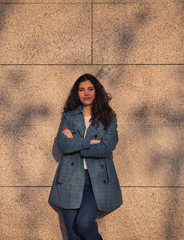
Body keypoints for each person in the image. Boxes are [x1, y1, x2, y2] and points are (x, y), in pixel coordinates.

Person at [49, 74, 123, 240]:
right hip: (69, 178)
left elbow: (106, 147)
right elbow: (63, 145)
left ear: (97, 91)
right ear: (77, 93)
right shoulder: (68, 117)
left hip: (96, 180)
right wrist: (90, 142)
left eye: (90, 89)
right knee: (73, 235)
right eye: (81, 90)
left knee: (84, 222)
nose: (86, 93)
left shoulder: (109, 117)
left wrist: (75, 143)